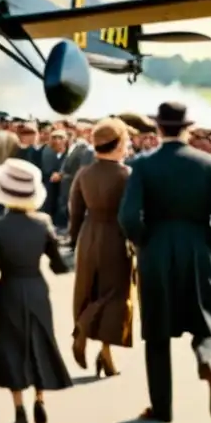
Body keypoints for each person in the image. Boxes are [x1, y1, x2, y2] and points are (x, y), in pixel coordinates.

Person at [118, 102, 211, 423]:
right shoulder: (210, 163)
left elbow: (128, 215)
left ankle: (162, 407)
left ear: (158, 128)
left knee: (157, 333)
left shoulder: (143, 165)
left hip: (157, 249)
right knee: (209, 320)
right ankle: (210, 363)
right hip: (200, 246)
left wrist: (144, 241)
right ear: (187, 128)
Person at [0, 159, 71, 423]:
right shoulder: (43, 224)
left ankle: (19, 408)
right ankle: (40, 398)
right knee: (39, 342)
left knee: (11, 347)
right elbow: (58, 266)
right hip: (36, 288)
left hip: (8, 288)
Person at [68, 119, 134, 376]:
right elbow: (130, 213)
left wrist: (75, 240)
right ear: (117, 145)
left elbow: (75, 212)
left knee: (89, 290)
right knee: (116, 297)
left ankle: (106, 355)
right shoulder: (125, 174)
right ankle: (85, 330)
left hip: (88, 234)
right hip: (114, 237)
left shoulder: (83, 173)